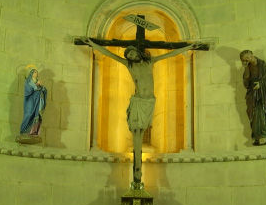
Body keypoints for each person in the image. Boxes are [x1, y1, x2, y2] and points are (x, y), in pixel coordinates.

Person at [80, 38, 199, 184]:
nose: (131, 56)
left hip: (148, 102)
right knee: (136, 132)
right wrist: (93, 45)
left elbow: (169, 54)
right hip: (137, 101)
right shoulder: (129, 66)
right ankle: (137, 168)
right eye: (128, 56)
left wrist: (188, 47)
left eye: (132, 53)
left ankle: (137, 165)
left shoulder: (150, 62)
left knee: (141, 131)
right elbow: (110, 55)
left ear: (137, 52)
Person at [240, 50, 266, 145]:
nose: (247, 60)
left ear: (251, 55)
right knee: (252, 113)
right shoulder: (248, 67)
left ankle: (263, 135)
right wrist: (245, 68)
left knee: (261, 112)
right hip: (252, 93)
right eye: (244, 59)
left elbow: (265, 77)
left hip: (261, 93)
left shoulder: (262, 64)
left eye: (247, 57)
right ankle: (255, 136)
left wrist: (260, 84)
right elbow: (246, 83)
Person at [19, 68, 47, 139]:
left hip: (37, 101)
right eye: (34, 72)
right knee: (28, 114)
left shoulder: (38, 81)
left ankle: (33, 133)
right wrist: (36, 86)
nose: (36, 73)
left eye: (37, 72)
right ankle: (23, 131)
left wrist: (42, 87)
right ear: (31, 73)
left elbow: (43, 90)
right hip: (30, 101)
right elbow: (28, 91)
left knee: (37, 116)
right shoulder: (28, 81)